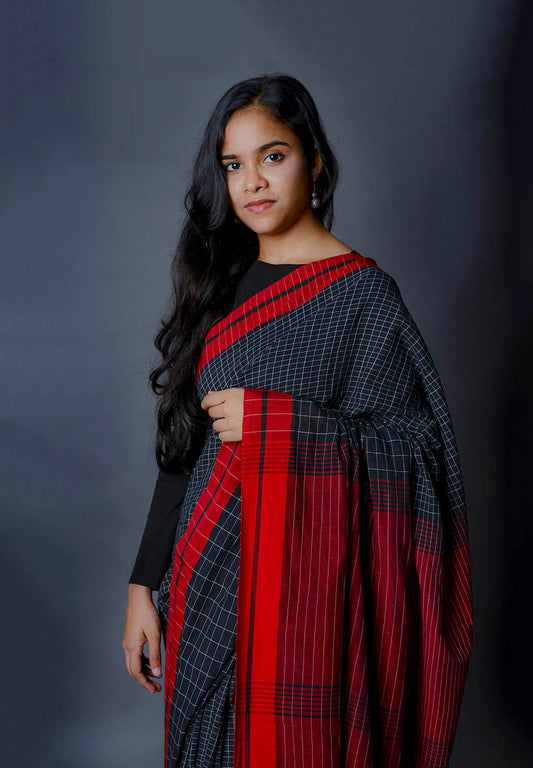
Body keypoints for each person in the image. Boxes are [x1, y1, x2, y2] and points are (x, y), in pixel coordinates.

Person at [122, 72, 474, 768]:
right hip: (206, 580)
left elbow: (417, 455)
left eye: (272, 156)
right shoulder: (218, 287)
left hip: (305, 603)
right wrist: (141, 586)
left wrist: (279, 425)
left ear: (313, 159)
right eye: (233, 165)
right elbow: (184, 448)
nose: (252, 182)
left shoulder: (363, 296)